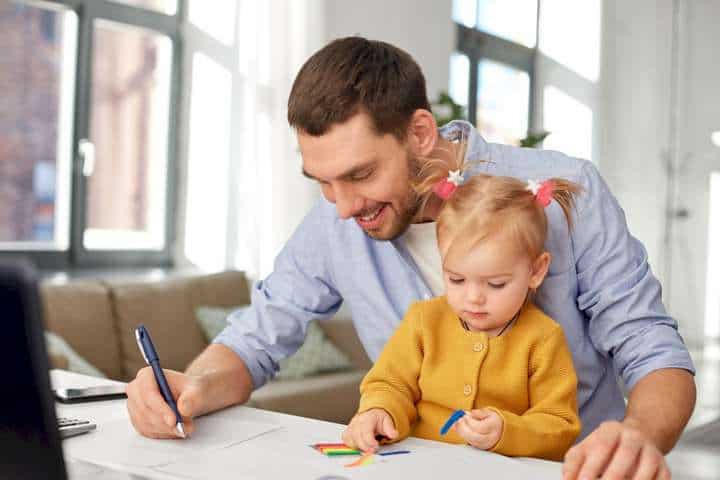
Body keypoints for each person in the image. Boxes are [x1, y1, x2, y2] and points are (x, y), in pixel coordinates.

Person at [126, 37, 695, 480]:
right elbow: (256, 337)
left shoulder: (566, 191)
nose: (343, 207)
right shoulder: (335, 221)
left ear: (420, 131)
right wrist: (192, 387)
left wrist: (639, 434)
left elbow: (652, 348)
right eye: (322, 182)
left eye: (360, 174)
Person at [342, 161, 584, 461]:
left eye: (496, 284)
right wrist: (379, 410)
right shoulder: (424, 320)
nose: (473, 299)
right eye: (455, 279)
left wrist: (506, 431)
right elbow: (389, 383)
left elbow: (560, 425)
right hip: (420, 465)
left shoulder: (544, 339)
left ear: (536, 271)